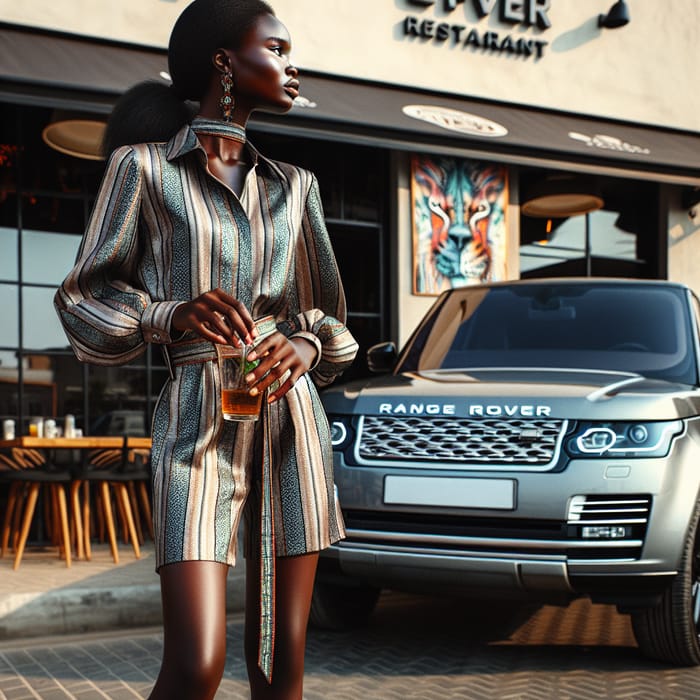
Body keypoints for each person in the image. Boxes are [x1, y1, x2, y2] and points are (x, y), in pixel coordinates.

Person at [54, 1, 358, 698]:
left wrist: (307, 344)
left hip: (291, 421)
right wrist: (168, 313)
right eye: (276, 48)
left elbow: (334, 321)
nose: (292, 65)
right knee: (196, 666)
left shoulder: (296, 187)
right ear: (226, 60)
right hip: (197, 421)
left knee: (280, 669)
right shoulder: (143, 170)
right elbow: (82, 298)